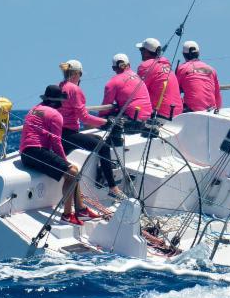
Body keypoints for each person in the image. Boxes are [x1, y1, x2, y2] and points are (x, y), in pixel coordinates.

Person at [19, 85, 101, 225]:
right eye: (61, 101)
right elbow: (56, 142)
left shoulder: (34, 109)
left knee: (72, 170)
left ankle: (81, 210)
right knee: (72, 171)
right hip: (36, 152)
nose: (63, 104)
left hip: (26, 153)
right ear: (57, 101)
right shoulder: (55, 115)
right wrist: (66, 163)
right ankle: (67, 215)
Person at [58, 60, 125, 199]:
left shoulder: (61, 86)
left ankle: (103, 174)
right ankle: (113, 188)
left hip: (59, 133)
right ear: (77, 73)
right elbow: (83, 117)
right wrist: (106, 122)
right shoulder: (74, 90)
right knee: (104, 147)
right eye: (80, 74)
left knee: (98, 140)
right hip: (69, 135)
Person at [135, 37, 183, 120]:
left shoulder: (145, 66)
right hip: (178, 114)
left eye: (141, 50)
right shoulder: (167, 67)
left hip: (160, 114)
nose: (141, 52)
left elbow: (137, 92)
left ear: (146, 52)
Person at [100, 53, 153, 125]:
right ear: (129, 65)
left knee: (99, 118)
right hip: (148, 117)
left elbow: (104, 110)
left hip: (132, 120)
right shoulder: (137, 76)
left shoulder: (112, 82)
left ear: (114, 68)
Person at [176, 40, 222, 112]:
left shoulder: (182, 69)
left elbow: (175, 92)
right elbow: (217, 95)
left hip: (192, 112)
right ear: (198, 53)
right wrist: (218, 111)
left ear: (184, 55)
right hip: (212, 111)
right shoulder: (211, 69)